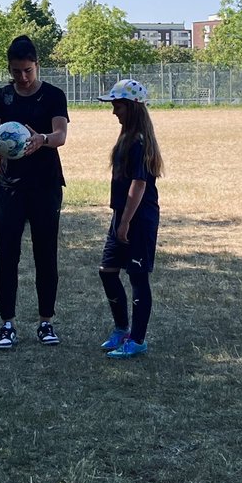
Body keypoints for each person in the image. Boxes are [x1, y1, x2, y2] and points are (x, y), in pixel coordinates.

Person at [0, 35, 69, 349]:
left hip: (45, 186)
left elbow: (60, 135)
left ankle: (46, 323)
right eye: (16, 71)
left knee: (46, 254)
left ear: (37, 65)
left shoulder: (54, 95)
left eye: (28, 70)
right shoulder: (1, 97)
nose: (23, 77)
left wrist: (40, 139)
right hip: (9, 188)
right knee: (6, 255)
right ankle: (7, 324)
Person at [96, 79, 163, 359]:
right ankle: (121, 328)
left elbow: (139, 186)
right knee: (107, 271)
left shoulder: (139, 141)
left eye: (118, 106)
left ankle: (137, 340)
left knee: (138, 278)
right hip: (120, 216)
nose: (114, 112)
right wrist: (117, 218)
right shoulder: (126, 136)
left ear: (132, 107)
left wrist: (124, 223)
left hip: (138, 219)